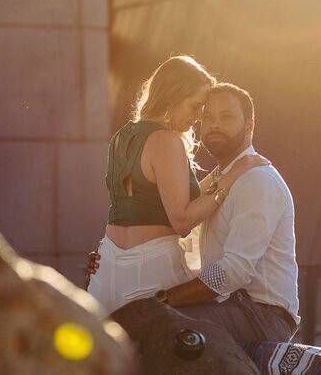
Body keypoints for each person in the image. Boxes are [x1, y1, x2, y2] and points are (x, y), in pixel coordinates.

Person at [87, 82, 299, 343]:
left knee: (152, 324)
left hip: (260, 315)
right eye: (208, 117)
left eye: (226, 116)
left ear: (249, 125)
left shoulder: (256, 180)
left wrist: (162, 300)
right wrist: (111, 261)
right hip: (226, 306)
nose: (215, 125)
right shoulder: (220, 181)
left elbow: (234, 271)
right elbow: (182, 243)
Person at [86, 56, 265, 314]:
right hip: (150, 271)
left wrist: (221, 174)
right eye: (196, 106)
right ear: (174, 95)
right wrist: (233, 175)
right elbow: (182, 220)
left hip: (105, 270)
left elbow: (156, 199)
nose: (199, 117)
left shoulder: (121, 136)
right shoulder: (166, 140)